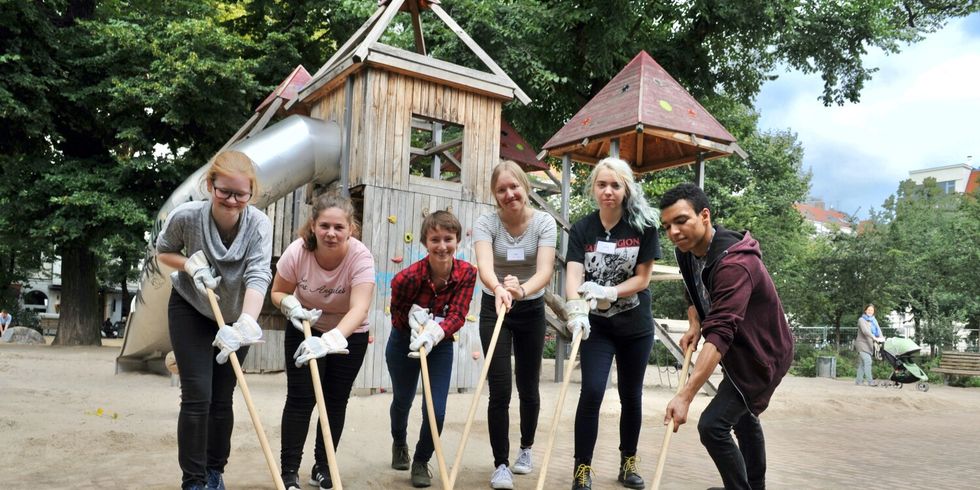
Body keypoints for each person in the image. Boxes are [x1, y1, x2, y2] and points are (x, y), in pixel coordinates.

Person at [659, 182, 794, 490]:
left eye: (681, 221)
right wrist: (694, 322)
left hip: (763, 355)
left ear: (704, 215)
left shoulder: (735, 264)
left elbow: (720, 333)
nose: (674, 232)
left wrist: (685, 396)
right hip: (738, 349)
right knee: (744, 419)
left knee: (713, 425)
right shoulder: (688, 251)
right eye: (667, 226)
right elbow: (693, 289)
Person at [156, 150, 273, 490]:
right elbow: (163, 252)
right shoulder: (187, 217)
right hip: (191, 308)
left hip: (236, 318)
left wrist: (247, 324)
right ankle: (193, 482)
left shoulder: (259, 225)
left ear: (251, 193)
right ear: (210, 185)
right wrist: (189, 265)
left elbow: (258, 274)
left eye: (241, 194)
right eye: (225, 191)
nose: (232, 200)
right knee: (197, 396)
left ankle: (213, 472)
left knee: (223, 398)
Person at [563, 157, 661, 490]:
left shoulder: (643, 227)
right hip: (598, 327)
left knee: (631, 395)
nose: (608, 191)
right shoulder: (582, 229)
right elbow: (574, 273)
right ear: (593, 187)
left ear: (626, 189)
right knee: (591, 391)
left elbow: (643, 279)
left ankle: (628, 460)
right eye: (602, 184)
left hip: (635, 326)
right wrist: (575, 310)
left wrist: (609, 290)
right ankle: (582, 467)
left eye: (615, 185)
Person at [271, 192, 376, 490]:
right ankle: (288, 472)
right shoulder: (297, 252)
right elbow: (278, 292)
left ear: (350, 229)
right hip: (304, 328)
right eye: (325, 226)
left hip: (348, 335)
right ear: (314, 225)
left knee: (333, 401)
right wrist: (290, 306)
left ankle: (323, 466)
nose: (331, 233)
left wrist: (331, 339)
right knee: (301, 399)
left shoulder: (361, 257)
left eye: (339, 227)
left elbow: (360, 307)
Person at [473, 160, 557, 489]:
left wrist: (520, 290)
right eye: (501, 190)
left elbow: (545, 270)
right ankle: (501, 463)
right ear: (494, 195)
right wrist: (498, 289)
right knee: (500, 388)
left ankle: (525, 449)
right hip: (495, 306)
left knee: (527, 385)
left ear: (525, 186)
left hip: (531, 306)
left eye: (514, 187)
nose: (509, 194)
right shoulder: (486, 222)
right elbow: (483, 264)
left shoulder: (544, 223)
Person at [387, 210, 477, 488]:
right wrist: (414, 322)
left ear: (457, 241)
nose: (442, 246)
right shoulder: (407, 278)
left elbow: (459, 315)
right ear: (425, 242)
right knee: (402, 399)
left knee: (436, 410)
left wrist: (436, 331)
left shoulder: (466, 274)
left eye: (448, 239)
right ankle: (399, 442)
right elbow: (398, 313)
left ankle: (421, 460)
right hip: (405, 341)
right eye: (435, 239)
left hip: (440, 344)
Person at [856, 304, 885, 385]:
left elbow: (878, 330)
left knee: (862, 364)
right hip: (862, 344)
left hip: (869, 345)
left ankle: (858, 381)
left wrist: (881, 338)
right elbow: (865, 331)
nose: (870, 311)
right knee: (868, 361)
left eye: (871, 310)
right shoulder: (861, 320)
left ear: (873, 312)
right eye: (868, 310)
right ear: (865, 310)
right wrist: (874, 337)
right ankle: (870, 381)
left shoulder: (874, 320)